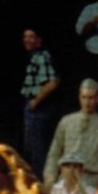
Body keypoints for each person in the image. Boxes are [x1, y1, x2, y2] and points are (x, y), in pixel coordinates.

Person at [43, 79, 98, 187]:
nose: (87, 102)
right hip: (66, 177)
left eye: (91, 98)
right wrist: (50, 176)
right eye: (84, 97)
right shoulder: (66, 121)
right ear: (79, 97)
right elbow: (54, 153)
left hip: (91, 179)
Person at [20, 28, 59, 176]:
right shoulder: (34, 56)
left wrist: (35, 102)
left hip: (39, 111)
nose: (27, 40)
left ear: (39, 40)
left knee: (38, 154)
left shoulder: (42, 56)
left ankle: (39, 187)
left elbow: (53, 82)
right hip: (33, 109)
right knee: (31, 151)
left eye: (31, 37)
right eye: (25, 36)